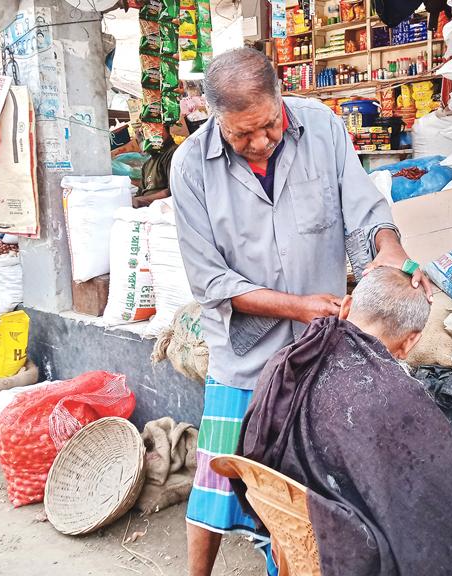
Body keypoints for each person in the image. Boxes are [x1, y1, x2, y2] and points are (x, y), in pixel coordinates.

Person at [170, 47, 431, 576]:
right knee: (217, 479)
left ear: (279, 95)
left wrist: (392, 254)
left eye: (268, 125)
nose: (260, 141)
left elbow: (364, 213)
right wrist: (299, 306)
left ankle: (285, 566)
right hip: (244, 352)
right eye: (241, 134)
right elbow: (212, 281)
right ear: (211, 115)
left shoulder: (324, 129)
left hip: (318, 351)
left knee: (299, 489)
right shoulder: (190, 167)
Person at [238, 267, 452, 576]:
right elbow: (439, 506)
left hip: (302, 529)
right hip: (352, 547)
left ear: (346, 306)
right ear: (410, 341)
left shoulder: (286, 363)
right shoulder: (393, 396)